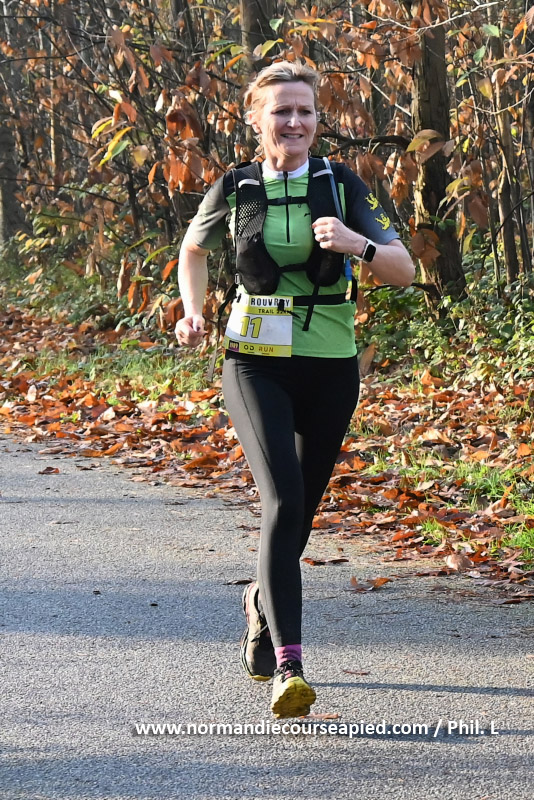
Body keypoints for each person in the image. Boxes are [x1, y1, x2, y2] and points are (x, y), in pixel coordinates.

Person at [175, 60, 415, 719]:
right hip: (255, 361)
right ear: (256, 119)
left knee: (300, 511)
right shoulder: (237, 186)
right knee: (281, 498)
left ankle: (261, 600)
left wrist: (357, 244)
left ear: (316, 120)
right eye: (281, 110)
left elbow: (404, 269)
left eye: (305, 110)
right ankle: (290, 667)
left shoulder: (341, 184)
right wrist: (192, 311)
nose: (295, 121)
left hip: (332, 365)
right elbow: (193, 251)